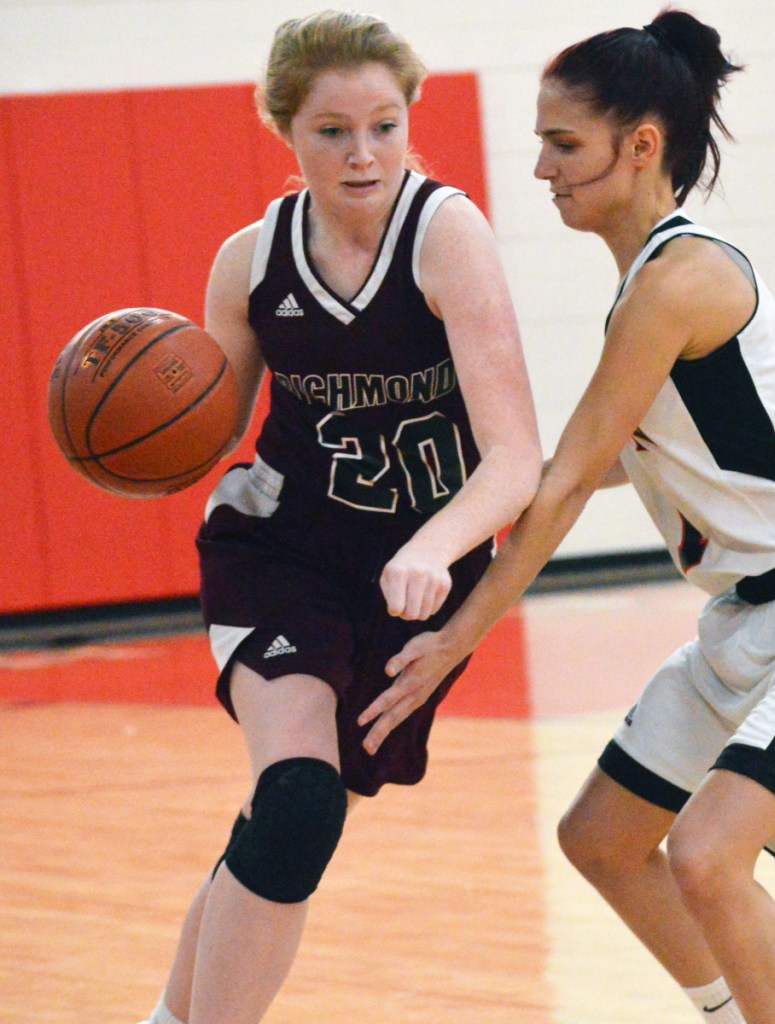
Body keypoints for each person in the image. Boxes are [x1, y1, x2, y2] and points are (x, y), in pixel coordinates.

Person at [359, 11, 775, 1024]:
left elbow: (569, 482)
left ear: (642, 146)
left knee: (709, 857)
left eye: (564, 143)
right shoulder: (646, 289)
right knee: (600, 837)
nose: (542, 167)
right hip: (745, 621)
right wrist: (439, 519)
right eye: (541, 141)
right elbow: (596, 464)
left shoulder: (679, 282)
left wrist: (459, 636)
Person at [138, 10, 541, 1024]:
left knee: (291, 823)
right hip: (279, 550)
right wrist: (131, 430)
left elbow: (514, 458)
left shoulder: (446, 237)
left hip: (408, 572)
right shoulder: (249, 263)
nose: (363, 152)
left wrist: (438, 544)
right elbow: (200, 431)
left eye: (384, 124)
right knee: (299, 800)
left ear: (410, 121)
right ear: (285, 129)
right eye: (331, 130)